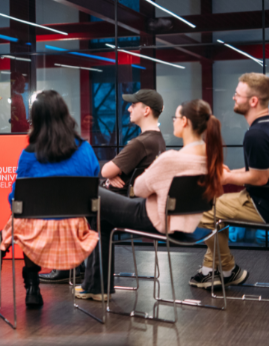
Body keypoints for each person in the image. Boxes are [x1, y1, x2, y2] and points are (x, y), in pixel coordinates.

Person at [78, 99, 224, 301]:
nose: (172, 122)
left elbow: (139, 188)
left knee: (93, 194)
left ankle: (96, 286)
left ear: (185, 122)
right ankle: (94, 286)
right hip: (186, 223)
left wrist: (153, 174)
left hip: (154, 218)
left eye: (175, 117)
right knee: (101, 217)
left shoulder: (172, 159)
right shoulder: (210, 157)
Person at [0, 90, 101, 308]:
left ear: (36, 120)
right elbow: (93, 184)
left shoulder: (29, 154)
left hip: (36, 236)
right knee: (27, 216)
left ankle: (31, 286)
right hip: (77, 232)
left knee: (26, 217)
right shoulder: (85, 149)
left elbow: (16, 199)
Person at [41, 89, 166, 284]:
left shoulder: (141, 143)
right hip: (134, 201)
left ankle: (69, 266)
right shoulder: (158, 140)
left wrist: (109, 175)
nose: (128, 108)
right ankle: (84, 274)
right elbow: (113, 174)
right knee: (87, 201)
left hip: (128, 204)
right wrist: (110, 177)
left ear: (146, 110)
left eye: (133, 105)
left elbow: (107, 170)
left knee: (74, 199)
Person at [190, 73, 269, 289]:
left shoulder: (255, 134)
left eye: (237, 94)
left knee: (201, 210)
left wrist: (227, 176)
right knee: (216, 208)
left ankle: (228, 270)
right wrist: (233, 171)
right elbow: (261, 170)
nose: (234, 98)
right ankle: (210, 270)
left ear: (253, 100)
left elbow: (260, 177)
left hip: (264, 206)